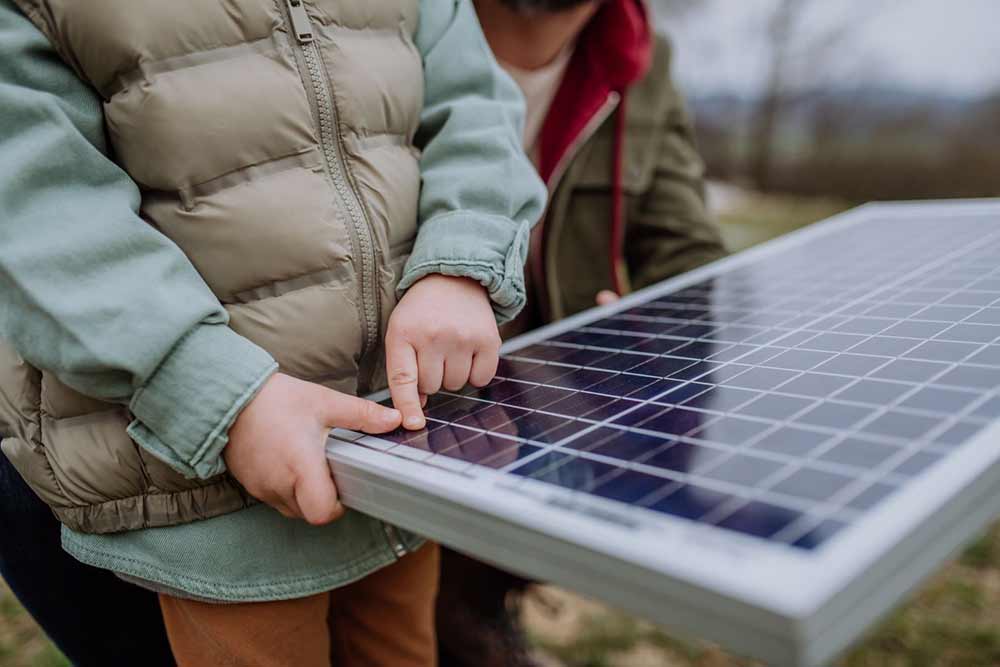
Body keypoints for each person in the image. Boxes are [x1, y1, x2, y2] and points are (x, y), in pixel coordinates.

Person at [0, 0, 545, 665]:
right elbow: (37, 207)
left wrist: (461, 263)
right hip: (211, 491)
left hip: (398, 453)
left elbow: (475, 105)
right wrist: (220, 396)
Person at [435, 1, 727, 665]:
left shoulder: (643, 62)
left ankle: (479, 598)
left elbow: (689, 255)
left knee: (650, 409)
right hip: (413, 365)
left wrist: (651, 327)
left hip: (551, 375)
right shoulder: (390, 36)